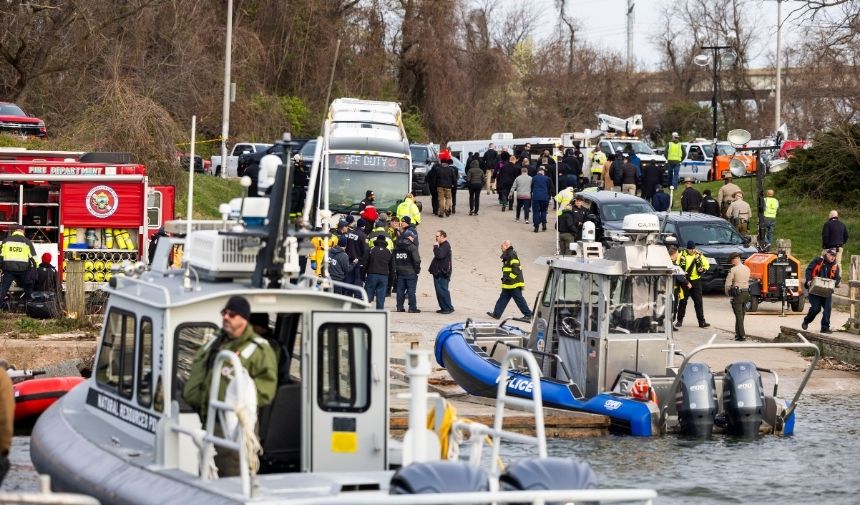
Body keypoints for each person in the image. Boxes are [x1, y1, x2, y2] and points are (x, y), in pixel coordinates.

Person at [182, 295, 277, 477]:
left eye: (232, 314)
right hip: (207, 419)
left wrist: (239, 398)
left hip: (233, 428)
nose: (226, 317)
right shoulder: (216, 341)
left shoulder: (259, 350)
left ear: (244, 319)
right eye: (224, 313)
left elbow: (266, 390)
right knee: (206, 473)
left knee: (232, 476)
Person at [487, 240, 533, 322]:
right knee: (502, 299)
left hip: (514, 283)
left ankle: (528, 315)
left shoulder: (512, 254)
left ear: (506, 246)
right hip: (509, 283)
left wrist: (509, 278)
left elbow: (516, 269)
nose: (501, 248)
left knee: (519, 300)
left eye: (502, 247)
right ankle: (496, 314)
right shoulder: (508, 254)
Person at [802, 248, 841, 333]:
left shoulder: (835, 266)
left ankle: (825, 327)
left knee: (828, 308)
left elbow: (837, 278)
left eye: (834, 256)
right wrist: (808, 280)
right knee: (816, 308)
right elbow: (808, 270)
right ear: (827, 254)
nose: (832, 257)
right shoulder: (817, 261)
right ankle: (806, 321)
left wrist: (835, 283)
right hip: (815, 289)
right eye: (831, 255)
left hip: (827, 290)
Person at [675, 240, 710, 328]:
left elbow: (707, 264)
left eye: (694, 249)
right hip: (685, 281)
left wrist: (703, 269)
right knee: (683, 302)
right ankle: (679, 320)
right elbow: (676, 266)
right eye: (691, 249)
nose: (693, 251)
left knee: (698, 302)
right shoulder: (681, 255)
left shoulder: (699, 255)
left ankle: (701, 321)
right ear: (687, 249)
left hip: (696, 281)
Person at [0, 225, 37, 306]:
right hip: (23, 270)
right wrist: (36, 268)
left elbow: (1, 256)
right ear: (23, 231)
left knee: (3, 289)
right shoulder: (27, 242)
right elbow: (34, 258)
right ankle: (32, 306)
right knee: (28, 288)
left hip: (8, 270)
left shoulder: (6, 241)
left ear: (15, 231)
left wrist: (1, 267)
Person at [725, 252, 751, 341]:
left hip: (737, 294)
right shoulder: (747, 268)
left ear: (735, 259)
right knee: (741, 315)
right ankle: (738, 334)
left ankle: (742, 335)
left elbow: (728, 284)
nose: (731, 263)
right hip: (746, 293)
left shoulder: (733, 270)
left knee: (738, 315)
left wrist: (728, 293)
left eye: (732, 261)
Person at [364, 235, 394, 309]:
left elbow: (365, 263)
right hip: (384, 277)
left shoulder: (371, 250)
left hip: (372, 275)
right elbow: (392, 268)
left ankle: (365, 311)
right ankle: (380, 313)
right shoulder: (389, 252)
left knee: (368, 295)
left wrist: (362, 275)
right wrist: (390, 282)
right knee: (381, 297)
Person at [394, 230, 421, 313]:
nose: (413, 238)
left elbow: (393, 259)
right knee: (411, 291)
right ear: (409, 237)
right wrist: (417, 270)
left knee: (400, 290)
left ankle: (399, 307)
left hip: (400, 272)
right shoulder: (412, 247)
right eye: (412, 237)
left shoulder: (397, 247)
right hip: (410, 272)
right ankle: (412, 308)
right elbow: (417, 260)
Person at [429, 230, 454, 314]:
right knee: (439, 291)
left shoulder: (446, 245)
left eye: (437, 236)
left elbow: (439, 255)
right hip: (438, 272)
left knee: (443, 290)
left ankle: (448, 308)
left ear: (442, 236)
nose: (436, 238)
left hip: (443, 272)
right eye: (435, 236)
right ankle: (444, 307)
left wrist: (436, 247)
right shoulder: (441, 245)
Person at [667, 245, 690, 332]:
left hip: (664, 289)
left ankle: (666, 324)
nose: (678, 254)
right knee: (673, 308)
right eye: (677, 253)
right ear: (674, 254)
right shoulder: (673, 265)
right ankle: (669, 325)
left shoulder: (665, 263)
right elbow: (679, 277)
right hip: (673, 289)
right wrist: (687, 283)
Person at [530, 167, 554, 233]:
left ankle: (536, 227)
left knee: (536, 212)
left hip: (536, 197)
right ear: (543, 172)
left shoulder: (534, 178)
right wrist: (550, 196)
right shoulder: (547, 178)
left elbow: (531, 188)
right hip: (545, 197)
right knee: (543, 211)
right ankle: (544, 225)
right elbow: (551, 188)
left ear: (538, 172)